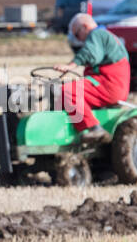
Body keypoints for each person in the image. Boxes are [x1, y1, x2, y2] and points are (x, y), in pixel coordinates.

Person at [55, 13, 129, 145]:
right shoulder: (107, 36)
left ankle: (94, 128)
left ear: (84, 26)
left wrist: (71, 65)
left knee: (69, 91)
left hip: (109, 84)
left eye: (77, 35)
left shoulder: (97, 34)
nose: (80, 40)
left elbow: (91, 54)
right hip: (113, 85)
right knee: (63, 98)